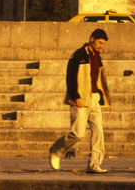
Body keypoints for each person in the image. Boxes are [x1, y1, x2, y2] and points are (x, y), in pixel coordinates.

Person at [48, 28, 112, 175]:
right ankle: (56, 150)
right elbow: (70, 76)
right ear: (92, 39)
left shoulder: (97, 56)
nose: (101, 46)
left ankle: (94, 163)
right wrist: (75, 95)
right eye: (100, 42)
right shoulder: (78, 55)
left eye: (103, 44)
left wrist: (101, 96)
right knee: (78, 133)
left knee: (98, 132)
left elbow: (98, 77)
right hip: (80, 98)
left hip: (95, 98)